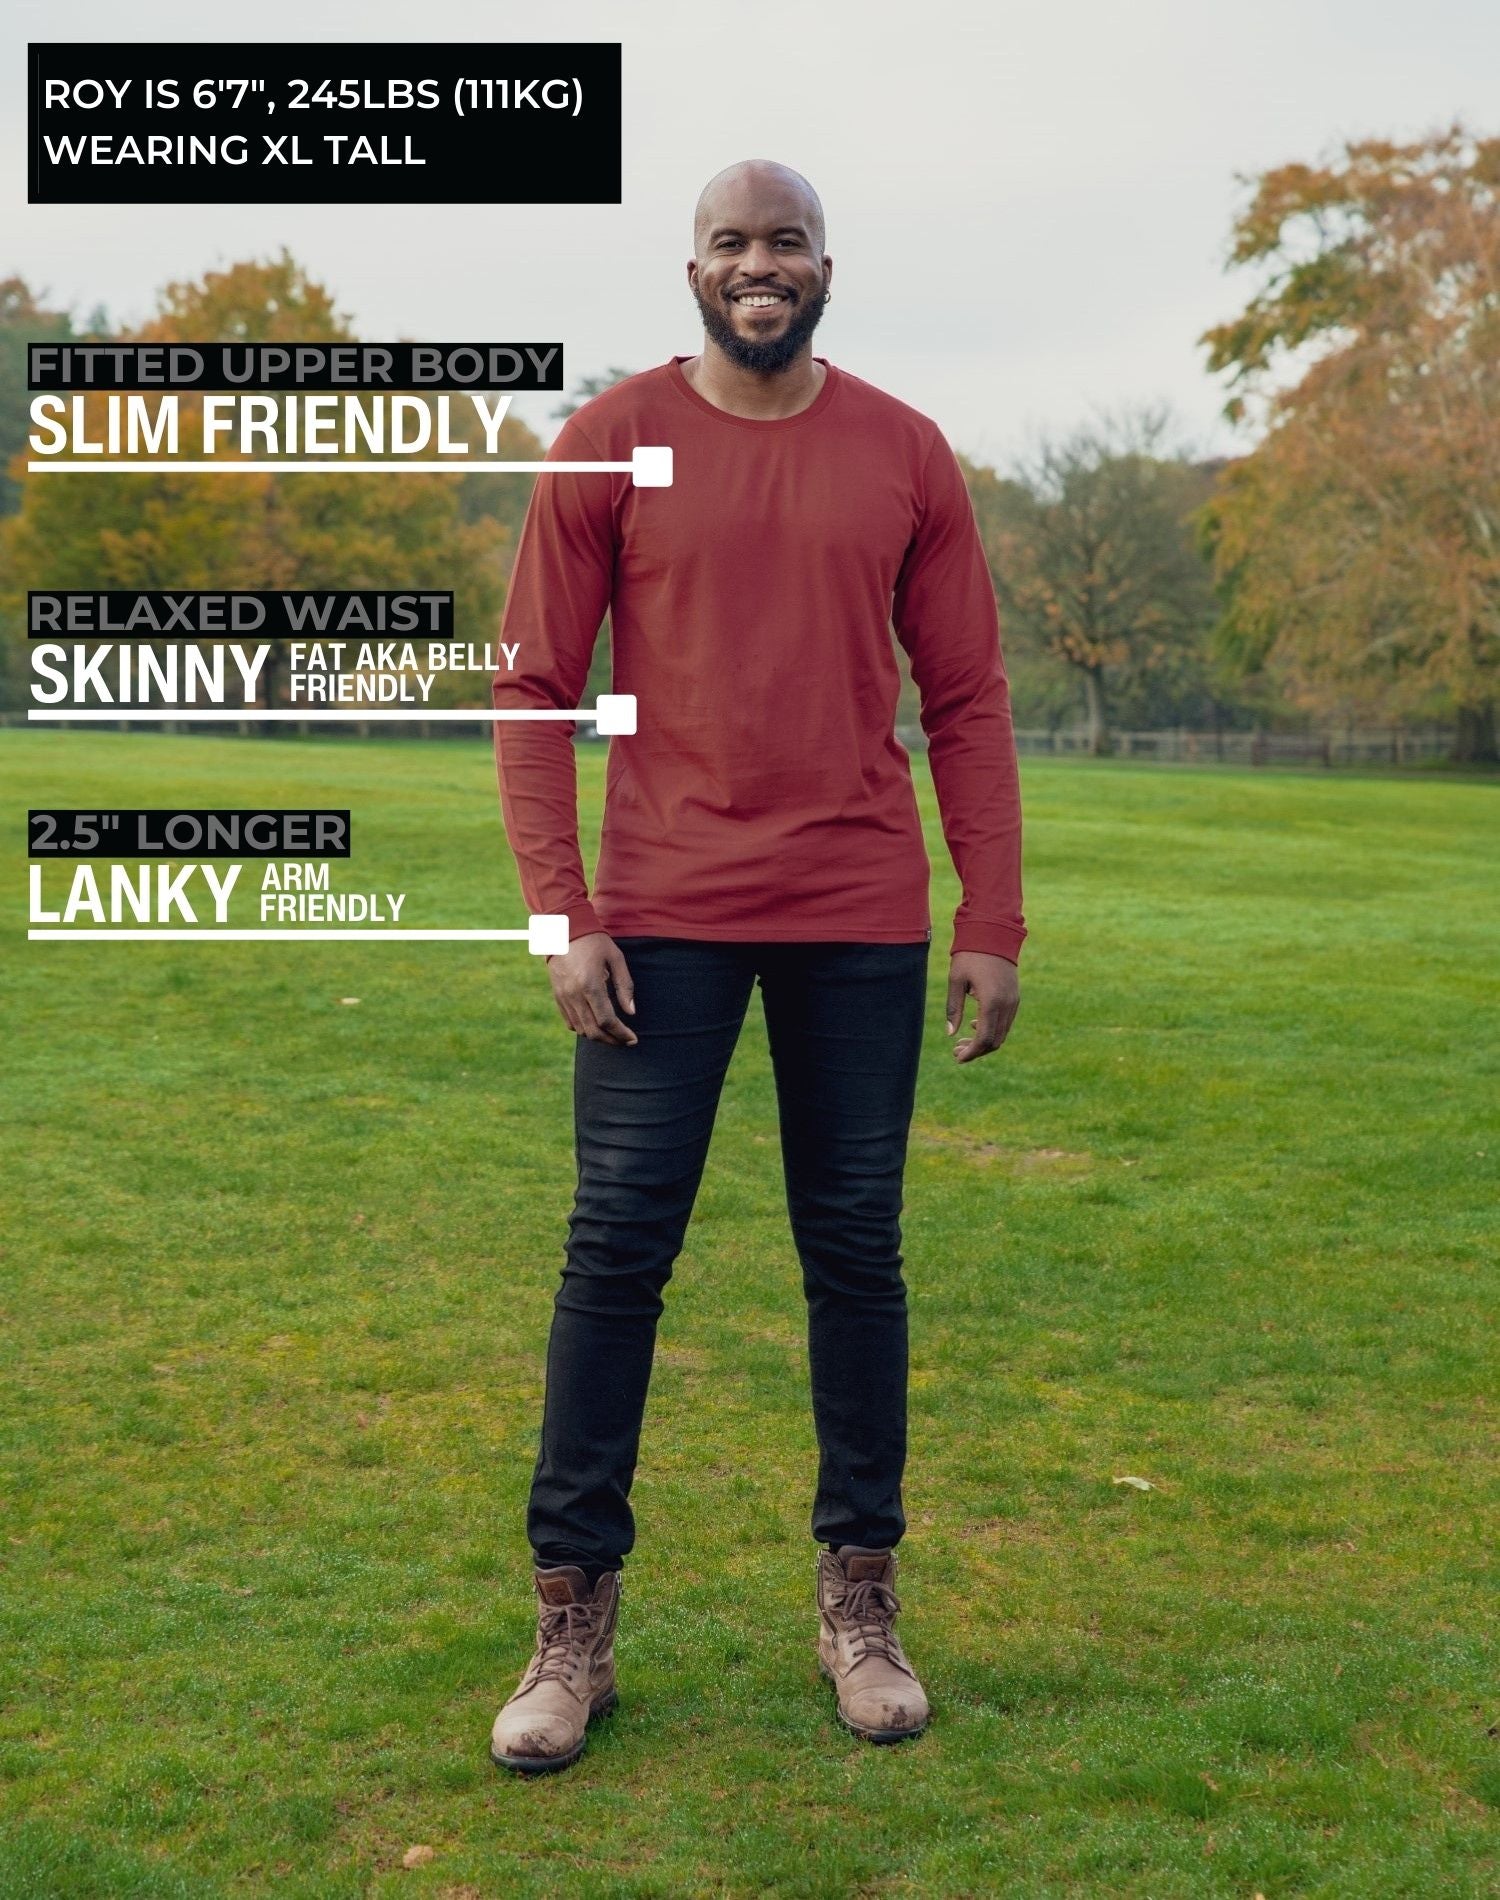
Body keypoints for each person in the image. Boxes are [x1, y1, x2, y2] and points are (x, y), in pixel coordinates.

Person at [488, 160, 1024, 1774]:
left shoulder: (906, 452)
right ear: (694, 267)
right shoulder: (610, 436)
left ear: (826, 266)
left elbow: (973, 698)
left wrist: (989, 921)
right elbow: (532, 686)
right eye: (732, 242)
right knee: (615, 1250)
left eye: (784, 241)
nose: (759, 264)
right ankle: (571, 1623)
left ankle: (861, 1599)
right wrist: (558, 911)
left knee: (854, 1252)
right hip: (661, 921)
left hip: (859, 913)